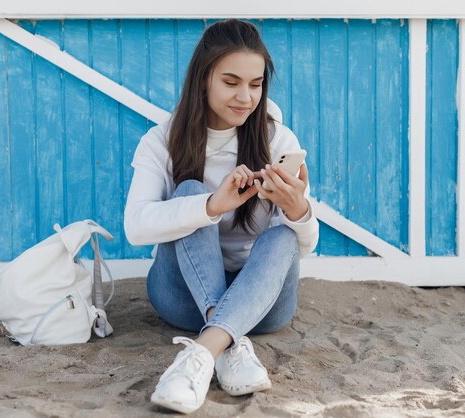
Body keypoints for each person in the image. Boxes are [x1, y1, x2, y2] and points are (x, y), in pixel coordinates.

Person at [123, 19, 319, 414]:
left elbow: (303, 247)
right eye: (231, 82)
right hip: (182, 300)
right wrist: (212, 205)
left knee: (283, 236)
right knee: (191, 192)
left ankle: (204, 351)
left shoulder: (278, 139)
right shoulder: (162, 141)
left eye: (255, 83)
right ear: (203, 80)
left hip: (262, 305)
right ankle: (228, 339)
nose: (245, 97)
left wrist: (299, 210)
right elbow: (135, 227)